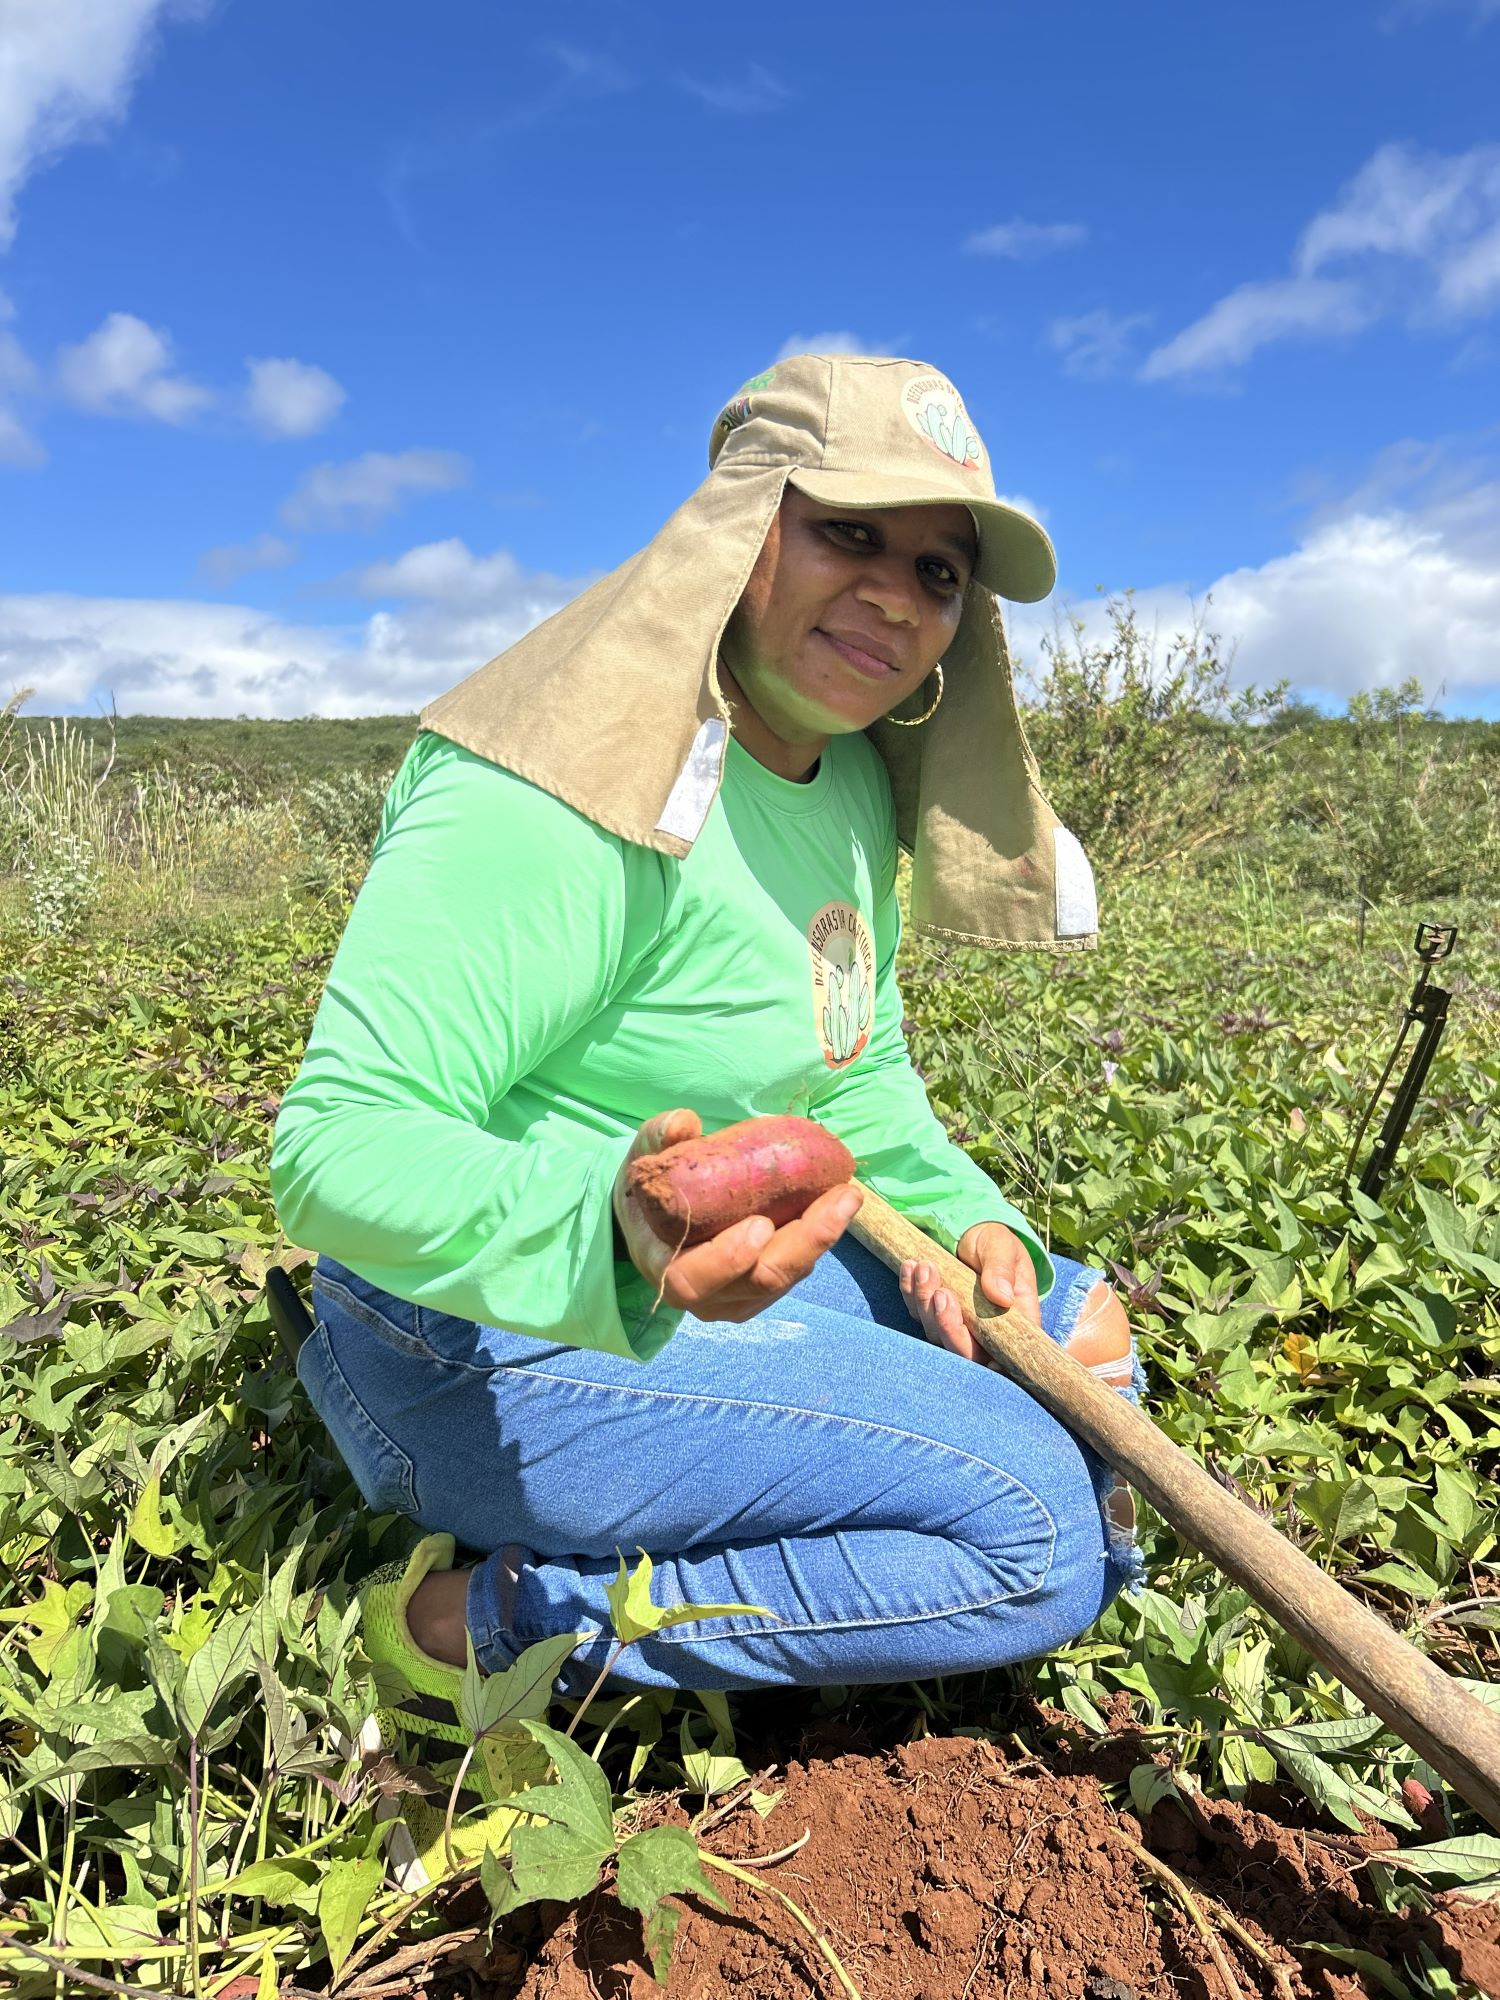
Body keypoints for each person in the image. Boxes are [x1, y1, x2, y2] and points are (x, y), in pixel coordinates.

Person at [268, 353, 1145, 1855]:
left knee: (1082, 1338)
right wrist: (611, 1230)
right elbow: (331, 1149)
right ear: (741, 526)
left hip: (731, 1274)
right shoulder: (560, 777)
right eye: (849, 534)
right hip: (472, 1331)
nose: (894, 594)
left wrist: (977, 1225)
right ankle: (462, 1626)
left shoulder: (850, 777)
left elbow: (850, 1068)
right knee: (1044, 1536)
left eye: (935, 568)